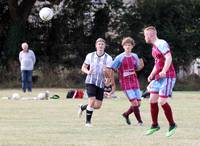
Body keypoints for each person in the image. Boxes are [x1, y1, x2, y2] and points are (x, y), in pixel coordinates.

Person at [143, 26, 177, 137]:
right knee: (152, 100)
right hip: (159, 77)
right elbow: (157, 63)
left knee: (162, 101)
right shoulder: (154, 47)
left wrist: (164, 71)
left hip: (168, 76)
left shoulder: (161, 43)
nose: (144, 37)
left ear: (151, 35)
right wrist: (152, 74)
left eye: (145, 35)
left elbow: (169, 57)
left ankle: (172, 125)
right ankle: (154, 125)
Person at [78, 38, 113, 127]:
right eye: (99, 44)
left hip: (101, 83)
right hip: (90, 81)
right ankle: (88, 122)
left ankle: (83, 107)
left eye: (102, 44)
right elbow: (83, 67)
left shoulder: (108, 58)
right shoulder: (90, 55)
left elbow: (109, 73)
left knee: (97, 105)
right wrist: (88, 72)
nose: (100, 46)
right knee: (92, 100)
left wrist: (106, 75)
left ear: (105, 46)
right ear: (96, 45)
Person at [111, 37, 144, 126]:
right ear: (123, 46)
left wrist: (140, 66)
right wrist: (110, 80)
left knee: (138, 103)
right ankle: (139, 122)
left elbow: (137, 67)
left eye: (129, 45)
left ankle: (126, 114)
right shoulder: (119, 57)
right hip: (125, 83)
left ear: (132, 46)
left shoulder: (135, 56)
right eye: (126, 45)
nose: (127, 46)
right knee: (134, 103)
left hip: (134, 81)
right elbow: (113, 68)